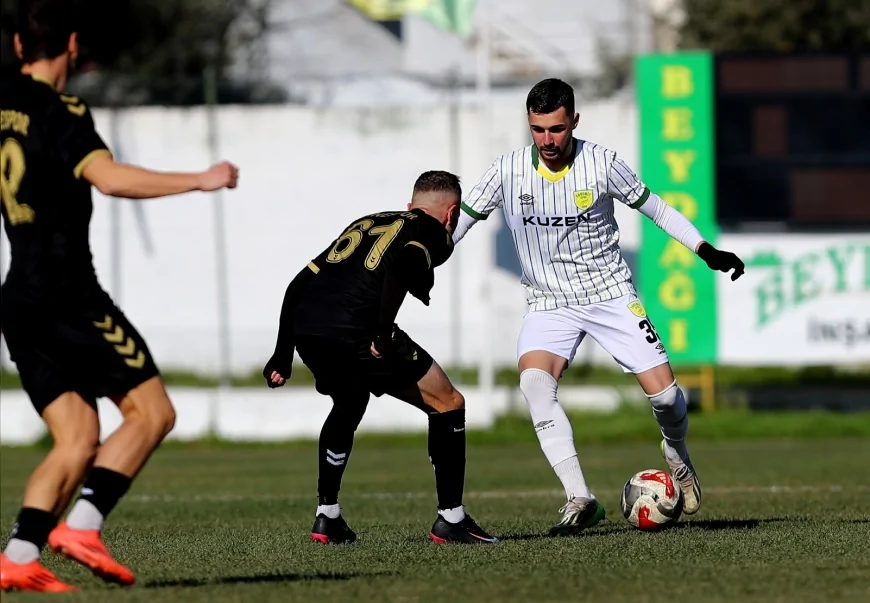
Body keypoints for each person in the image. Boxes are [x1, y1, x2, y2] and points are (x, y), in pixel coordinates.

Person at [0, 0, 239, 592]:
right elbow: (108, 178)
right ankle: (82, 526)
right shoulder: (63, 111)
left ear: (16, 47)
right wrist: (199, 179)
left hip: (19, 300)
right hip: (66, 293)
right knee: (154, 413)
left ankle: (19, 557)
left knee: (78, 438)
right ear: (73, 47)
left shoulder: (1, 110)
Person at [452, 78, 744, 536]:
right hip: (550, 302)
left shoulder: (602, 163)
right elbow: (457, 226)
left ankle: (676, 454)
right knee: (534, 383)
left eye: (556, 129)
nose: (547, 140)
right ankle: (579, 497)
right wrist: (417, 261)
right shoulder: (506, 171)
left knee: (667, 397)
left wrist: (705, 250)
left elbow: (658, 209)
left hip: (609, 293)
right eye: (537, 129)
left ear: (574, 122)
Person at [262, 170, 498, 546]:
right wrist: (383, 333)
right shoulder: (436, 232)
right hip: (357, 330)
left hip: (308, 330)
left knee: (350, 399)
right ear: (451, 213)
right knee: (448, 402)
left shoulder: (370, 221)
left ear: (410, 206)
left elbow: (300, 281)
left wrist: (282, 353)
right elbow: (405, 266)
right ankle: (451, 519)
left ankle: (328, 516)